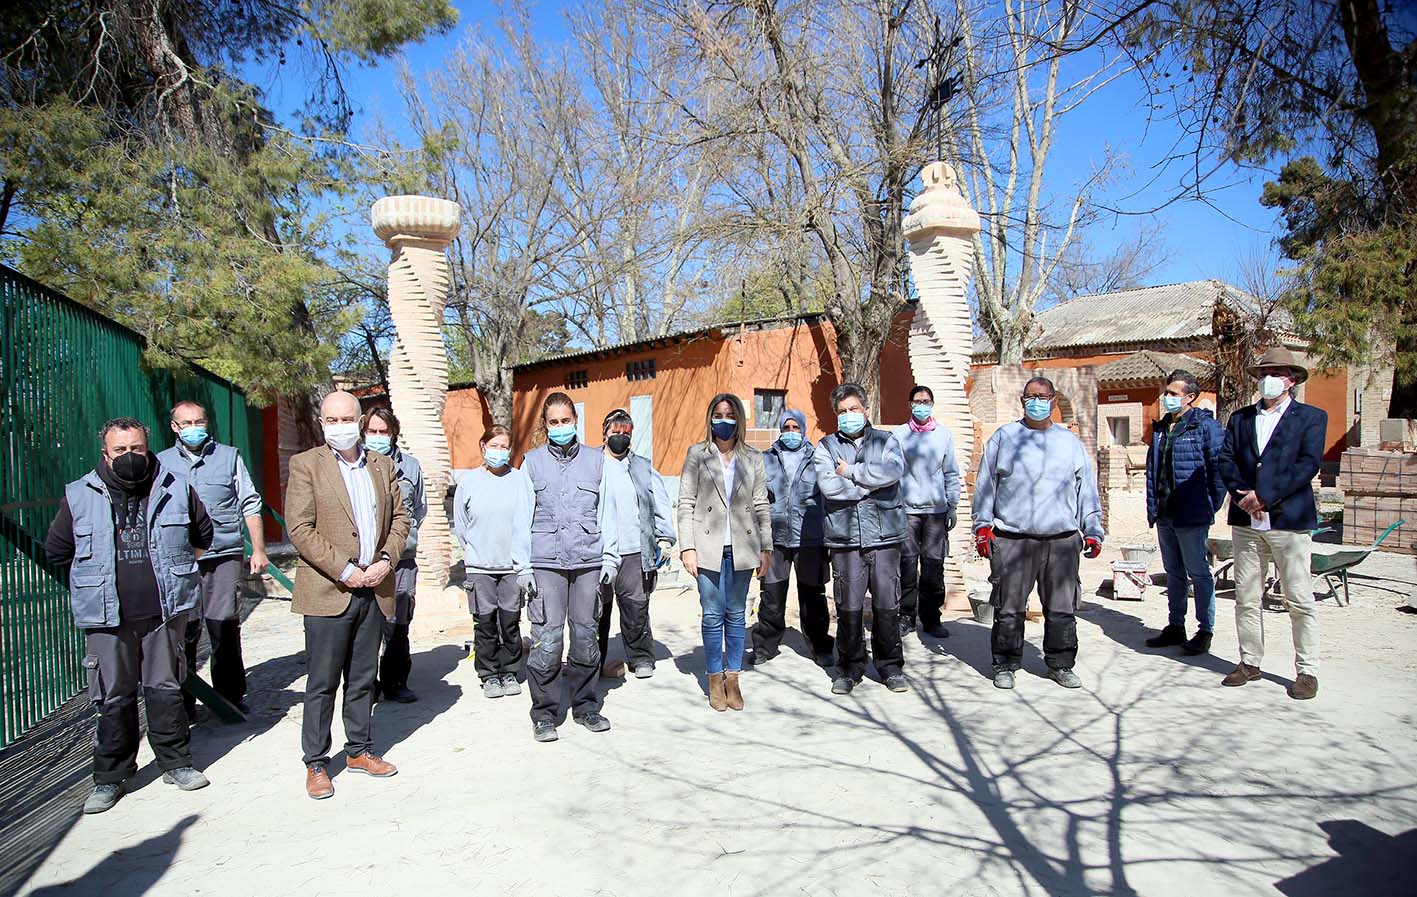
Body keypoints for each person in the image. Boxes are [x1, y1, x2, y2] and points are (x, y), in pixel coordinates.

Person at [46, 417, 214, 814]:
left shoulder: (175, 487)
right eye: (120, 450)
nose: (130, 456)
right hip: (107, 619)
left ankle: (177, 764)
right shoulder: (78, 495)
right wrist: (93, 585)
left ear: (148, 446)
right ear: (105, 453)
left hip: (163, 614)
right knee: (114, 697)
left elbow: (203, 537)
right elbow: (57, 552)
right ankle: (110, 778)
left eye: (136, 448)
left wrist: (174, 575)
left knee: (166, 690)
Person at [285, 391, 410, 799]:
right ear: (322, 423)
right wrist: (344, 569)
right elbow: (300, 528)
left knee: (361, 678)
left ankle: (359, 750)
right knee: (321, 681)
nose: (337, 426)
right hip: (329, 588)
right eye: (329, 419)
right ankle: (316, 762)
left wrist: (385, 562)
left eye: (345, 418)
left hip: (374, 587)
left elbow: (401, 519)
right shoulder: (306, 465)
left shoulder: (383, 465)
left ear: (359, 421)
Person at [973, 376, 1104, 690]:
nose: (1036, 401)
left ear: (1054, 400)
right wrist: (981, 526)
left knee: (1061, 608)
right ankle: (1005, 663)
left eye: (1042, 396)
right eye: (1030, 396)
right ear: (1022, 400)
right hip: (1013, 539)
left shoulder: (1069, 443)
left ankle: (1060, 663)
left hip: (1061, 540)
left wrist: (1093, 529)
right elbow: (985, 485)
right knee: (1008, 608)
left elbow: (1086, 488)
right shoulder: (1005, 438)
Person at [1216, 347, 1327, 700]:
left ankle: (1306, 670)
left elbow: (1307, 465)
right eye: (1264, 372)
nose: (1267, 379)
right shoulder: (1241, 418)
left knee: (1298, 597)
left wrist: (1264, 496)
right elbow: (1226, 459)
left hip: (1288, 520)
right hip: (1246, 521)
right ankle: (1250, 661)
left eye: (1275, 372)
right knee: (1247, 596)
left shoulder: (1311, 418)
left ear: (1290, 380)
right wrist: (1241, 494)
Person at [156, 400, 267, 718]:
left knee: (224, 629)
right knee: (184, 633)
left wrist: (257, 548)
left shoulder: (229, 457)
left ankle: (230, 697)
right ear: (174, 427)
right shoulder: (161, 463)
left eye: (199, 422)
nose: (194, 428)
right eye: (186, 423)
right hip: (180, 560)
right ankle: (184, 702)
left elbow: (249, 502)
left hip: (223, 557)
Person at [521, 393, 620, 742]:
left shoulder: (597, 461)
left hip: (587, 562)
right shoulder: (531, 463)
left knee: (585, 638)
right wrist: (523, 568)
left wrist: (610, 557)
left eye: (566, 421)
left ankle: (586, 706)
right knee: (547, 639)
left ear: (576, 421)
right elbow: (522, 518)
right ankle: (544, 713)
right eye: (554, 422)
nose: (560, 427)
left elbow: (607, 512)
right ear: (546, 426)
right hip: (546, 562)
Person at [677, 393, 772, 712]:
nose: (724, 420)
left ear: (740, 419)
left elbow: (761, 504)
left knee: (736, 614)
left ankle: (734, 677)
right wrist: (687, 547)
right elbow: (686, 503)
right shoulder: (697, 454)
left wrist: (766, 546)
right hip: (707, 548)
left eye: (730, 414)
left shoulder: (753, 457)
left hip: (743, 547)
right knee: (712, 613)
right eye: (718, 414)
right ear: (709, 418)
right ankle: (714, 678)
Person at [814, 384, 909, 696]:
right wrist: (870, 482)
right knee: (849, 607)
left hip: (885, 536)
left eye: (854, 409)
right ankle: (849, 668)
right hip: (846, 539)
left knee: (887, 605)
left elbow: (894, 470)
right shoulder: (825, 447)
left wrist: (851, 472)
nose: (848, 416)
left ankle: (891, 666)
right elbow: (829, 487)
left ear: (866, 410)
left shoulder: (886, 440)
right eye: (842, 412)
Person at [1142, 370, 1227, 656]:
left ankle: (1205, 630)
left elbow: (1219, 469)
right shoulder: (1161, 428)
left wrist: (1208, 504)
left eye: (1174, 394)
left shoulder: (1205, 426)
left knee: (1198, 573)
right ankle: (1175, 625)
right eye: (1167, 392)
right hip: (1165, 512)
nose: (1167, 398)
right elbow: (1154, 470)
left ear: (1190, 397)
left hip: (1191, 514)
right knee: (1173, 572)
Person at [750, 408, 835, 667]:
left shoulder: (818, 458)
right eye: (786, 429)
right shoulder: (766, 459)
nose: (790, 433)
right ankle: (766, 645)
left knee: (813, 596)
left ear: (803, 429)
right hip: (775, 539)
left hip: (810, 538)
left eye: (795, 428)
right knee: (771, 595)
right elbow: (756, 498)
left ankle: (820, 646)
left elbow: (829, 495)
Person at [454, 425, 533, 699]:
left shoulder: (520, 479)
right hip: (480, 568)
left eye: (504, 446)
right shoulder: (468, 482)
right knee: (485, 624)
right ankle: (488, 674)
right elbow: (462, 527)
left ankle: (510, 670)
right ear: (483, 446)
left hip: (512, 566)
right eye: (494, 445)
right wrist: (475, 553)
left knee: (510, 622)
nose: (499, 451)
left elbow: (527, 520)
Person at [597, 409, 675, 680]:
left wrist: (664, 538)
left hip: (634, 550)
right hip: (598, 551)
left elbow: (660, 502)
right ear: (604, 432)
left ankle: (641, 657)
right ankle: (594, 662)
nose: (620, 437)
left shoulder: (642, 466)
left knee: (636, 608)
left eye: (626, 433)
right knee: (597, 611)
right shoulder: (591, 464)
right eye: (615, 432)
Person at [363, 408, 427, 704]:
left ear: (394, 434)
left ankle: (396, 682)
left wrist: (401, 541)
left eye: (383, 432)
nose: (377, 437)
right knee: (365, 624)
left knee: (398, 622)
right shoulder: (355, 465)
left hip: (402, 559)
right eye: (372, 432)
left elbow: (420, 509)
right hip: (363, 561)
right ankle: (366, 686)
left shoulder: (411, 467)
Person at [893, 385, 961, 640]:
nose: (922, 405)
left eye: (926, 401)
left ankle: (932, 618)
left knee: (934, 566)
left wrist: (952, 505)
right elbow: (892, 473)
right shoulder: (899, 436)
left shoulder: (943, 435)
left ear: (933, 403)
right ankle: (906, 616)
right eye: (917, 401)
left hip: (936, 512)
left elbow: (951, 473)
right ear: (910, 404)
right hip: (907, 511)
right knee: (907, 565)